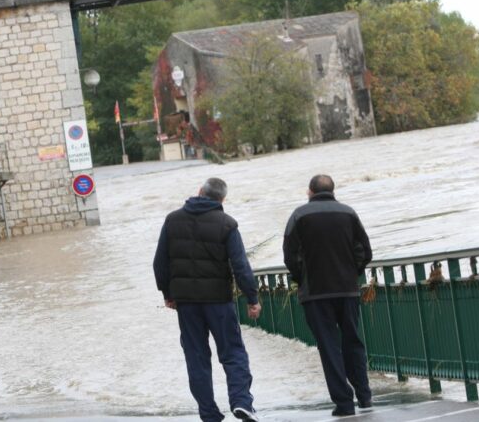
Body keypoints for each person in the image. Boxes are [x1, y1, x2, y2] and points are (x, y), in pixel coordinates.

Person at [154, 178, 261, 422]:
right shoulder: (227, 224)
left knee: (196, 356)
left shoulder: (172, 220)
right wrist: (252, 298)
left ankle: (209, 413)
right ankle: (242, 402)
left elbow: (159, 263)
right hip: (219, 302)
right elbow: (240, 266)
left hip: (187, 304)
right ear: (221, 200)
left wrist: (167, 294)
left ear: (199, 192)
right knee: (233, 352)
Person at [283, 174, 373, 417]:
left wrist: (302, 277)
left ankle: (344, 403)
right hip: (347, 290)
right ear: (332, 190)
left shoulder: (299, 216)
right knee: (353, 341)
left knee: (329, 347)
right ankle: (365, 397)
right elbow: (365, 251)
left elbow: (290, 256)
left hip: (315, 293)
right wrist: (353, 273)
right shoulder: (348, 213)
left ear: (310, 191)